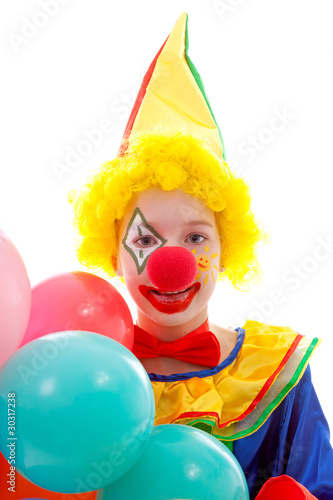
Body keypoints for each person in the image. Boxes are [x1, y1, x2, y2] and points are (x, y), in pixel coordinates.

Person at [69, 12, 333, 499]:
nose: (175, 262)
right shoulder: (78, 374)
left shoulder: (275, 374)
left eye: (195, 238)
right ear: (113, 249)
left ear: (224, 244)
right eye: (146, 240)